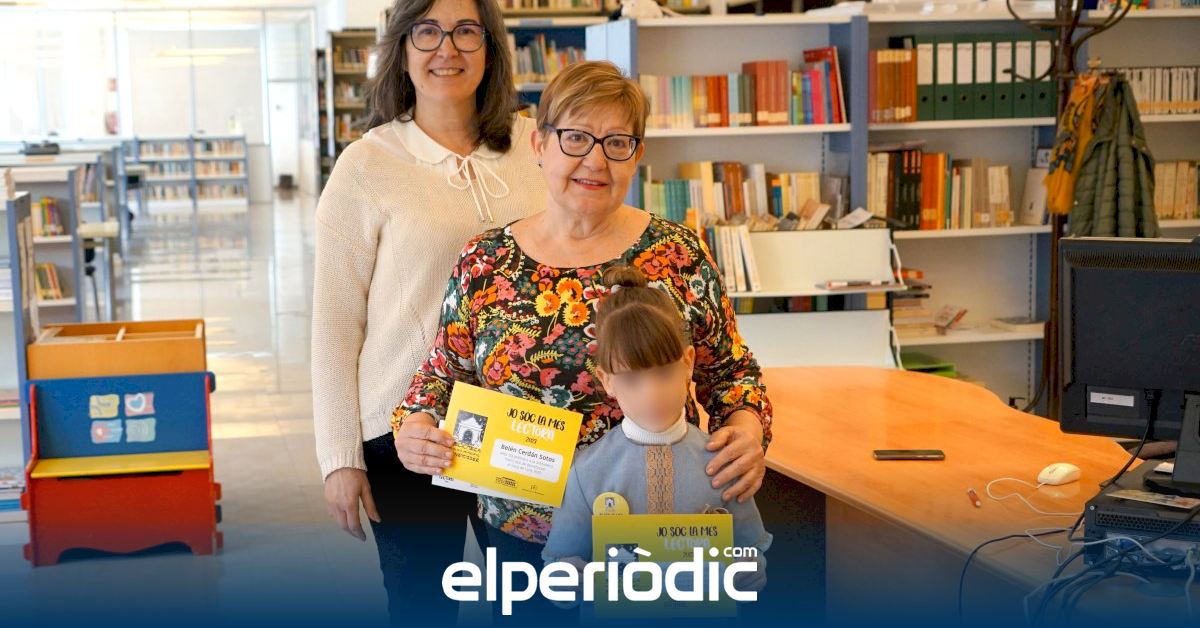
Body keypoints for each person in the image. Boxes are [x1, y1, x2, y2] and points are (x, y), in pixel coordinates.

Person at [392, 60, 773, 618]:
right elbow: (438, 378)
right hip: (522, 541)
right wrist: (415, 428)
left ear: (637, 155)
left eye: (617, 142)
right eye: (575, 138)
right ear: (539, 144)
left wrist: (746, 431)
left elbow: (732, 374)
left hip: (657, 544)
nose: (595, 160)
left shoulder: (679, 255)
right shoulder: (485, 261)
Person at [309, 0, 546, 623]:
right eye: (427, 32)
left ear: (491, 47)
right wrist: (339, 458)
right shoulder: (366, 166)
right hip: (405, 427)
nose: (448, 48)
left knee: (534, 605)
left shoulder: (538, 146)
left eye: (466, 31)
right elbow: (335, 324)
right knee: (423, 609)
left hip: (522, 424)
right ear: (403, 49)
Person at [541, 265, 772, 602]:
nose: (651, 395)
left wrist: (748, 571)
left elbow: (750, 551)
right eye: (632, 379)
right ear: (607, 381)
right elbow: (559, 568)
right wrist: (567, 582)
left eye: (663, 373)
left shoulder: (723, 463)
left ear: (688, 363)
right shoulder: (586, 472)